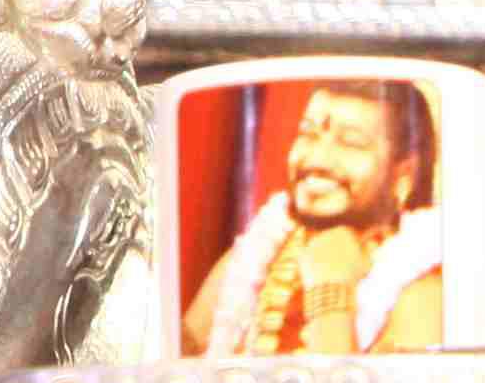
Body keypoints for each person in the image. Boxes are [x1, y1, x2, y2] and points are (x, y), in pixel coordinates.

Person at [178, 77, 447, 359]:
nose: (317, 159)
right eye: (308, 134)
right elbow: (174, 361)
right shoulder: (260, 250)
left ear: (404, 175)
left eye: (350, 143)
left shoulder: (422, 292)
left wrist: (330, 290)